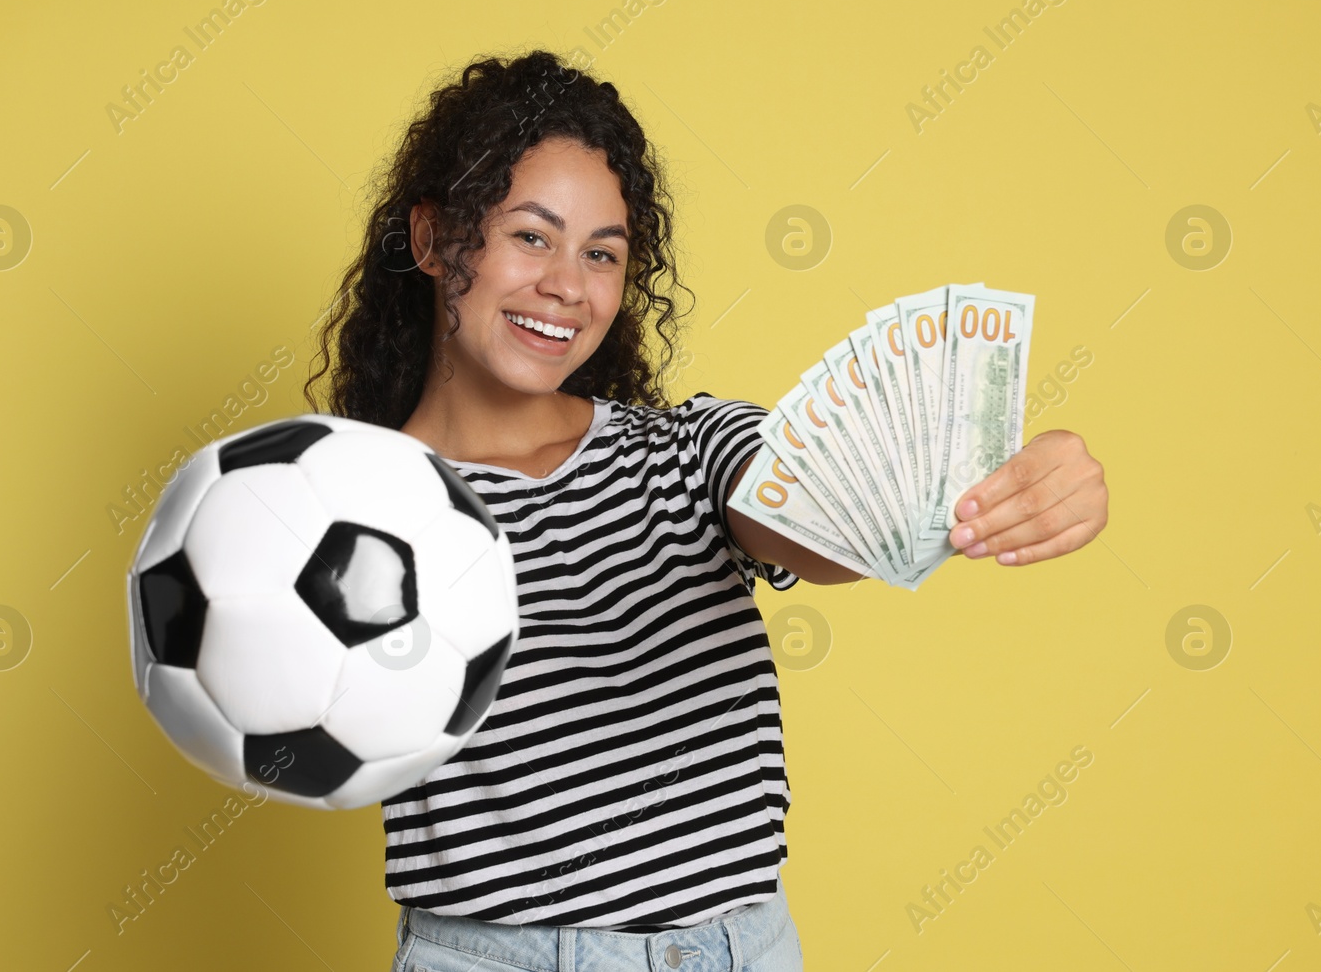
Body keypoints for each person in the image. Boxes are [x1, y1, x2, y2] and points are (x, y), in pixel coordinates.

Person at [302, 49, 1109, 971]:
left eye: (601, 252)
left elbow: (825, 518)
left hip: (731, 951)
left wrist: (997, 476)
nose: (568, 284)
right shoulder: (348, 511)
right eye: (531, 235)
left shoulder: (688, 452)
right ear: (435, 239)